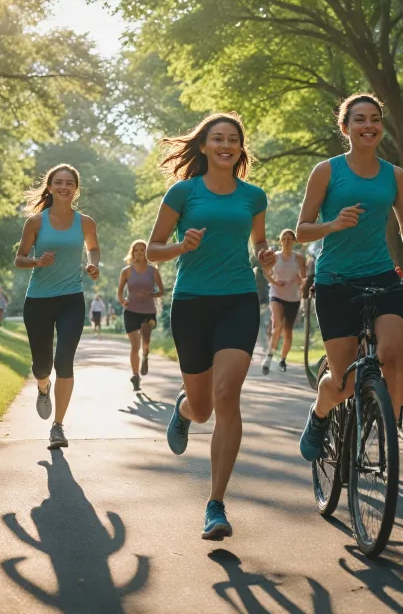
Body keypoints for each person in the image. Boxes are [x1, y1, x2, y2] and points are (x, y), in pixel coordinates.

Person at [147, 112, 275, 540]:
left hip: (238, 300)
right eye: (217, 138)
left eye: (233, 139)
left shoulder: (254, 196)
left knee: (227, 396)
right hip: (192, 304)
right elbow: (152, 251)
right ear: (203, 146)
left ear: (240, 148)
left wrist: (266, 256)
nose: (226, 144)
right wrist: (181, 245)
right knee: (202, 409)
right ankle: (184, 409)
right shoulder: (184, 192)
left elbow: (258, 243)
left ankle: (216, 504)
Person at [295, 93, 403, 462]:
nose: (368, 125)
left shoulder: (395, 176)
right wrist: (334, 224)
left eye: (375, 118)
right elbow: (302, 230)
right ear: (346, 127)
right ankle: (320, 413)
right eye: (359, 119)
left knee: (392, 357)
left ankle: (388, 429)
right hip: (335, 281)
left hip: (381, 274)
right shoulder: (327, 171)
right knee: (343, 382)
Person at [15, 163, 100, 450]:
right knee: (43, 366)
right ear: (50, 187)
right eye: (59, 182)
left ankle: (58, 427)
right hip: (38, 300)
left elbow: (94, 247)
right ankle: (43, 386)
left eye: (70, 183)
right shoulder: (36, 222)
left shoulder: (85, 222)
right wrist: (36, 262)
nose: (64, 187)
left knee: (64, 360)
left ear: (76, 189)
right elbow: (19, 258)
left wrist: (93, 264)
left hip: (71, 299)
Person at [117, 240, 165, 390]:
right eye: (136, 250)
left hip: (148, 312)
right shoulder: (126, 271)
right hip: (131, 311)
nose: (139, 252)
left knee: (145, 345)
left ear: (146, 252)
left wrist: (150, 293)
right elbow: (119, 293)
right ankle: (135, 376)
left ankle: (145, 355)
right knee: (134, 346)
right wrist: (122, 301)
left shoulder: (153, 271)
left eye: (142, 250)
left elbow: (161, 291)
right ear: (132, 252)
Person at [262, 229, 306, 374]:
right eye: (284, 239)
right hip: (276, 294)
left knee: (288, 332)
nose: (287, 241)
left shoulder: (299, 258)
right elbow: (266, 273)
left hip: (293, 297)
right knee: (277, 325)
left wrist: (301, 281)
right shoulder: (274, 257)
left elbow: (304, 279)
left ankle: (282, 359)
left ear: (294, 241)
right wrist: (275, 282)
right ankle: (268, 357)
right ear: (280, 241)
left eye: (290, 239)